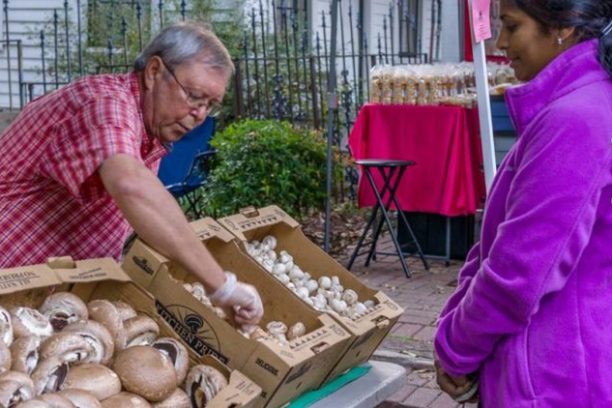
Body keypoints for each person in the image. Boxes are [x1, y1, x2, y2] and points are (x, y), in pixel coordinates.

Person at [0, 22, 263, 327]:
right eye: (193, 96)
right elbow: (131, 185)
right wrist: (223, 286)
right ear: (154, 72)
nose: (200, 114)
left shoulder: (149, 133)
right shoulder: (106, 103)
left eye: (210, 105)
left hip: (38, 306)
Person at [433, 0, 612, 406]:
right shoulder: (576, 106)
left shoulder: (576, 119)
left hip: (550, 380)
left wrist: (455, 349)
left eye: (512, 27)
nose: (500, 42)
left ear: (561, 28)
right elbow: (497, 243)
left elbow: (517, 272)